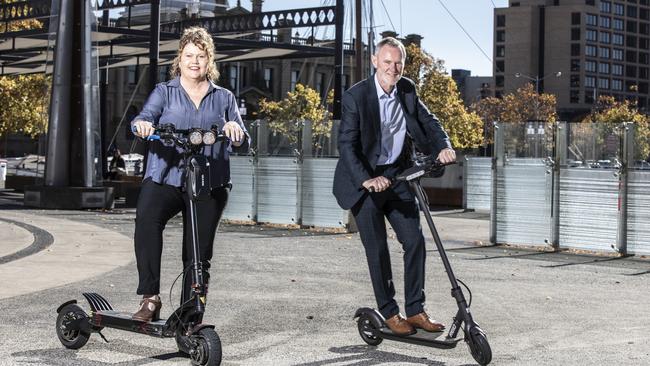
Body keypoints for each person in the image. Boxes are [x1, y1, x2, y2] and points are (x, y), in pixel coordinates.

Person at [332, 37, 456, 336]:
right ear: (375, 62)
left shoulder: (406, 88)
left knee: (415, 241)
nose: (393, 68)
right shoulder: (356, 96)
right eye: (387, 62)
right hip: (363, 181)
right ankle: (389, 313)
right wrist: (367, 178)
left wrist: (444, 146)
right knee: (377, 249)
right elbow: (347, 145)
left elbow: (429, 121)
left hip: (397, 176)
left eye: (398, 62)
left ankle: (415, 310)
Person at [130, 26, 249, 322]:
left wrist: (235, 132)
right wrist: (143, 126)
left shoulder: (224, 98)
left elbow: (242, 138)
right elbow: (142, 119)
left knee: (197, 252)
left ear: (210, 61)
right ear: (179, 60)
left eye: (201, 56)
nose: (195, 61)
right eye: (189, 55)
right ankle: (150, 298)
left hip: (208, 183)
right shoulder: (164, 93)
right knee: (147, 218)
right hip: (166, 177)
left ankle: (190, 313)